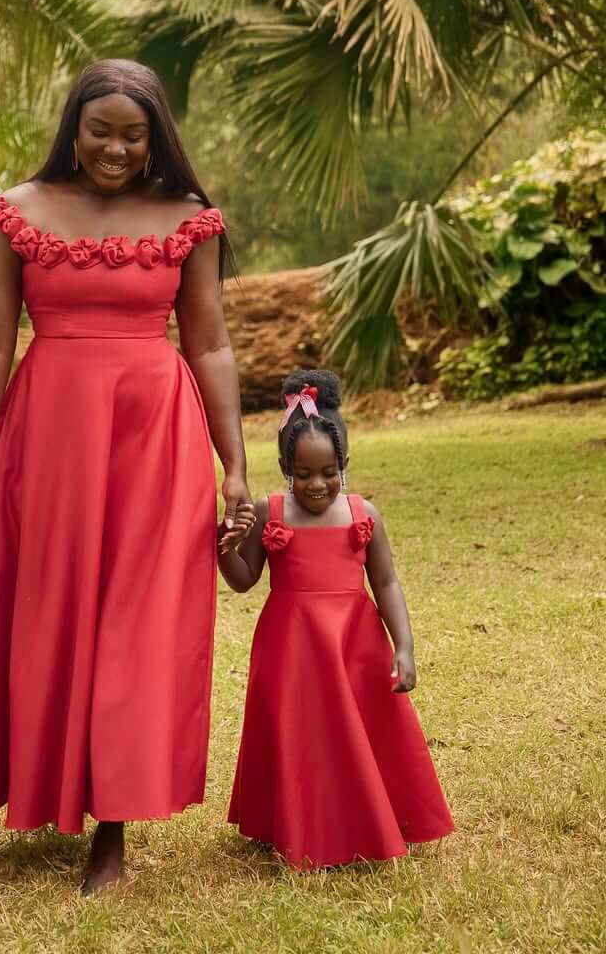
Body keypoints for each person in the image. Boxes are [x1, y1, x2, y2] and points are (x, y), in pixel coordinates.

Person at [0, 58, 253, 893]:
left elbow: (211, 345)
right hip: (49, 434)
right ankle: (28, 791)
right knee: (47, 608)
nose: (116, 149)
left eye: (133, 135)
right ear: (73, 130)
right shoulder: (18, 211)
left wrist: (235, 467)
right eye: (100, 131)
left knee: (135, 621)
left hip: (155, 437)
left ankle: (112, 826)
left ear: (156, 139)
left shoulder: (188, 218)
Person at [219, 369, 454, 868]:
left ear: (344, 464)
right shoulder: (269, 511)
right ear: (285, 467)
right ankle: (285, 821)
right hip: (291, 648)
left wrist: (404, 646)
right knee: (297, 731)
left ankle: (379, 814)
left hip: (353, 643)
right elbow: (244, 580)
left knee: (360, 729)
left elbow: (385, 582)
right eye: (302, 473)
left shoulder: (363, 514)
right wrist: (223, 548)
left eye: (328, 472)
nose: (316, 484)